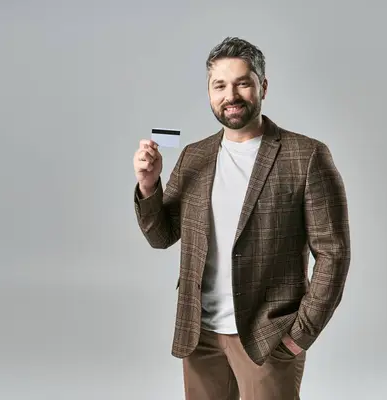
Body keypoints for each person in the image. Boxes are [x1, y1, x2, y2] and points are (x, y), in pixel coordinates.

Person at [132, 36, 351, 400]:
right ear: (209, 92)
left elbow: (334, 252)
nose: (230, 95)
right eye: (220, 85)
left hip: (267, 337)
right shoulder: (194, 156)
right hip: (199, 335)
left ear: (262, 87)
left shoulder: (306, 155)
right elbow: (162, 236)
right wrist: (148, 184)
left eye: (242, 83)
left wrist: (299, 336)